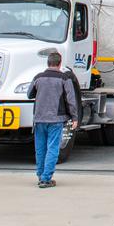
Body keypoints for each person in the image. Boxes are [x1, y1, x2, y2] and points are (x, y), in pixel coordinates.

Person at [27, 51, 79, 188]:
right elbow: (71, 100)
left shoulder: (38, 77)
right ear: (60, 63)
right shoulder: (64, 79)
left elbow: (29, 94)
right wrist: (75, 118)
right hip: (56, 119)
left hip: (39, 119)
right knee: (52, 148)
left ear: (48, 63)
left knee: (40, 148)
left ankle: (40, 175)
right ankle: (46, 179)